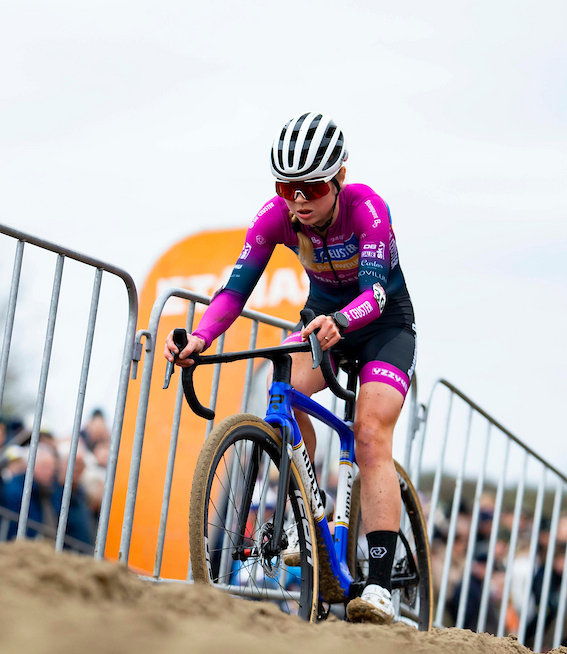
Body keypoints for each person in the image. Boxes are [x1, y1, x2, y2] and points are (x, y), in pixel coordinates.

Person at [165, 113, 416, 625]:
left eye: (313, 187)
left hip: (381, 324)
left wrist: (342, 323)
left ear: (339, 178)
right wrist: (200, 337)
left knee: (369, 434)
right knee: (282, 394)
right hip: (321, 319)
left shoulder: (367, 208)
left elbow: (375, 292)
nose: (298, 200)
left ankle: (381, 583)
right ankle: (310, 511)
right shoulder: (274, 217)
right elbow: (234, 291)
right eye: (287, 187)